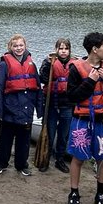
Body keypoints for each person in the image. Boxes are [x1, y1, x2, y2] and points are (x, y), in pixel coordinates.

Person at [66, 31, 103, 204]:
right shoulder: (76, 69)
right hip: (82, 120)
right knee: (78, 158)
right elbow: (72, 97)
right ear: (95, 49)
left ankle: (100, 195)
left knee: (102, 159)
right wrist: (91, 80)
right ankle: (74, 193)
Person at [0, 34, 39, 176]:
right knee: (5, 138)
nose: (18, 48)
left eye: (21, 45)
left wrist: (39, 109)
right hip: (9, 108)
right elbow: (0, 89)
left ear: (25, 46)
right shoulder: (3, 65)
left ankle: (21, 164)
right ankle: (1, 163)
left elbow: (37, 87)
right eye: (15, 46)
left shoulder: (32, 64)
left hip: (26, 108)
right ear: (10, 47)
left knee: (24, 139)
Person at [38, 38, 75, 172]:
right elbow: (42, 78)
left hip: (67, 105)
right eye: (61, 48)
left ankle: (59, 159)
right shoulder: (49, 62)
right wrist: (48, 64)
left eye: (66, 49)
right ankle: (45, 158)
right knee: (50, 133)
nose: (63, 51)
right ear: (56, 49)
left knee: (64, 135)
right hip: (52, 104)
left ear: (69, 50)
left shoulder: (74, 64)